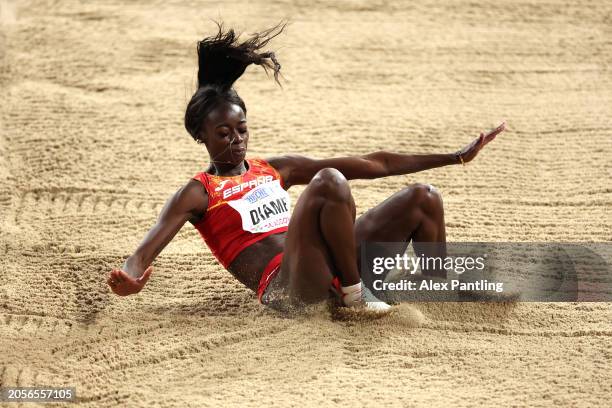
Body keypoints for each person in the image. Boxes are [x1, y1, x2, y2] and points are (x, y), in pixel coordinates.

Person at [106, 23, 506, 312]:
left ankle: (437, 284)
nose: (236, 139)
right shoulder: (199, 192)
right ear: (202, 137)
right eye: (223, 133)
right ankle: (354, 293)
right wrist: (130, 277)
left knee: (424, 197)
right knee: (329, 182)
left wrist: (456, 157)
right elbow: (144, 252)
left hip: (330, 263)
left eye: (241, 129)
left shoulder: (275, 168)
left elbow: (375, 163)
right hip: (289, 287)